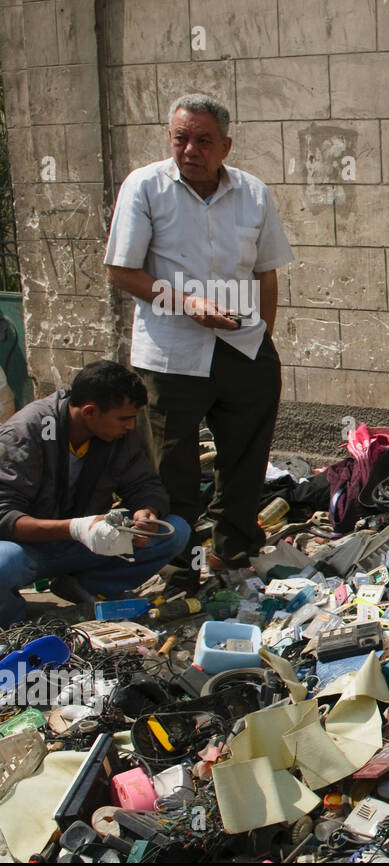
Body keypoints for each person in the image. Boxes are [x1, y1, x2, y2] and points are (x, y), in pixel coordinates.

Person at [104, 93, 293, 569]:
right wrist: (186, 304)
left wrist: (262, 338)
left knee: (246, 461)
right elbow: (121, 272)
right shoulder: (145, 187)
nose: (191, 150)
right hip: (171, 355)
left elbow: (266, 272)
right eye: (181, 138)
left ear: (225, 146)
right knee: (172, 467)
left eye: (203, 140)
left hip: (243, 346)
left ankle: (234, 554)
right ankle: (176, 563)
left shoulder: (252, 192)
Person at [0, 361, 190, 626]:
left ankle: (86, 586)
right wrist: (75, 528)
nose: (130, 426)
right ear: (90, 412)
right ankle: (15, 626)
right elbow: (5, 516)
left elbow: (144, 484)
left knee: (175, 531)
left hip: (87, 543)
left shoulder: (120, 435)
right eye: (123, 418)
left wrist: (147, 511)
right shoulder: (25, 432)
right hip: (28, 549)